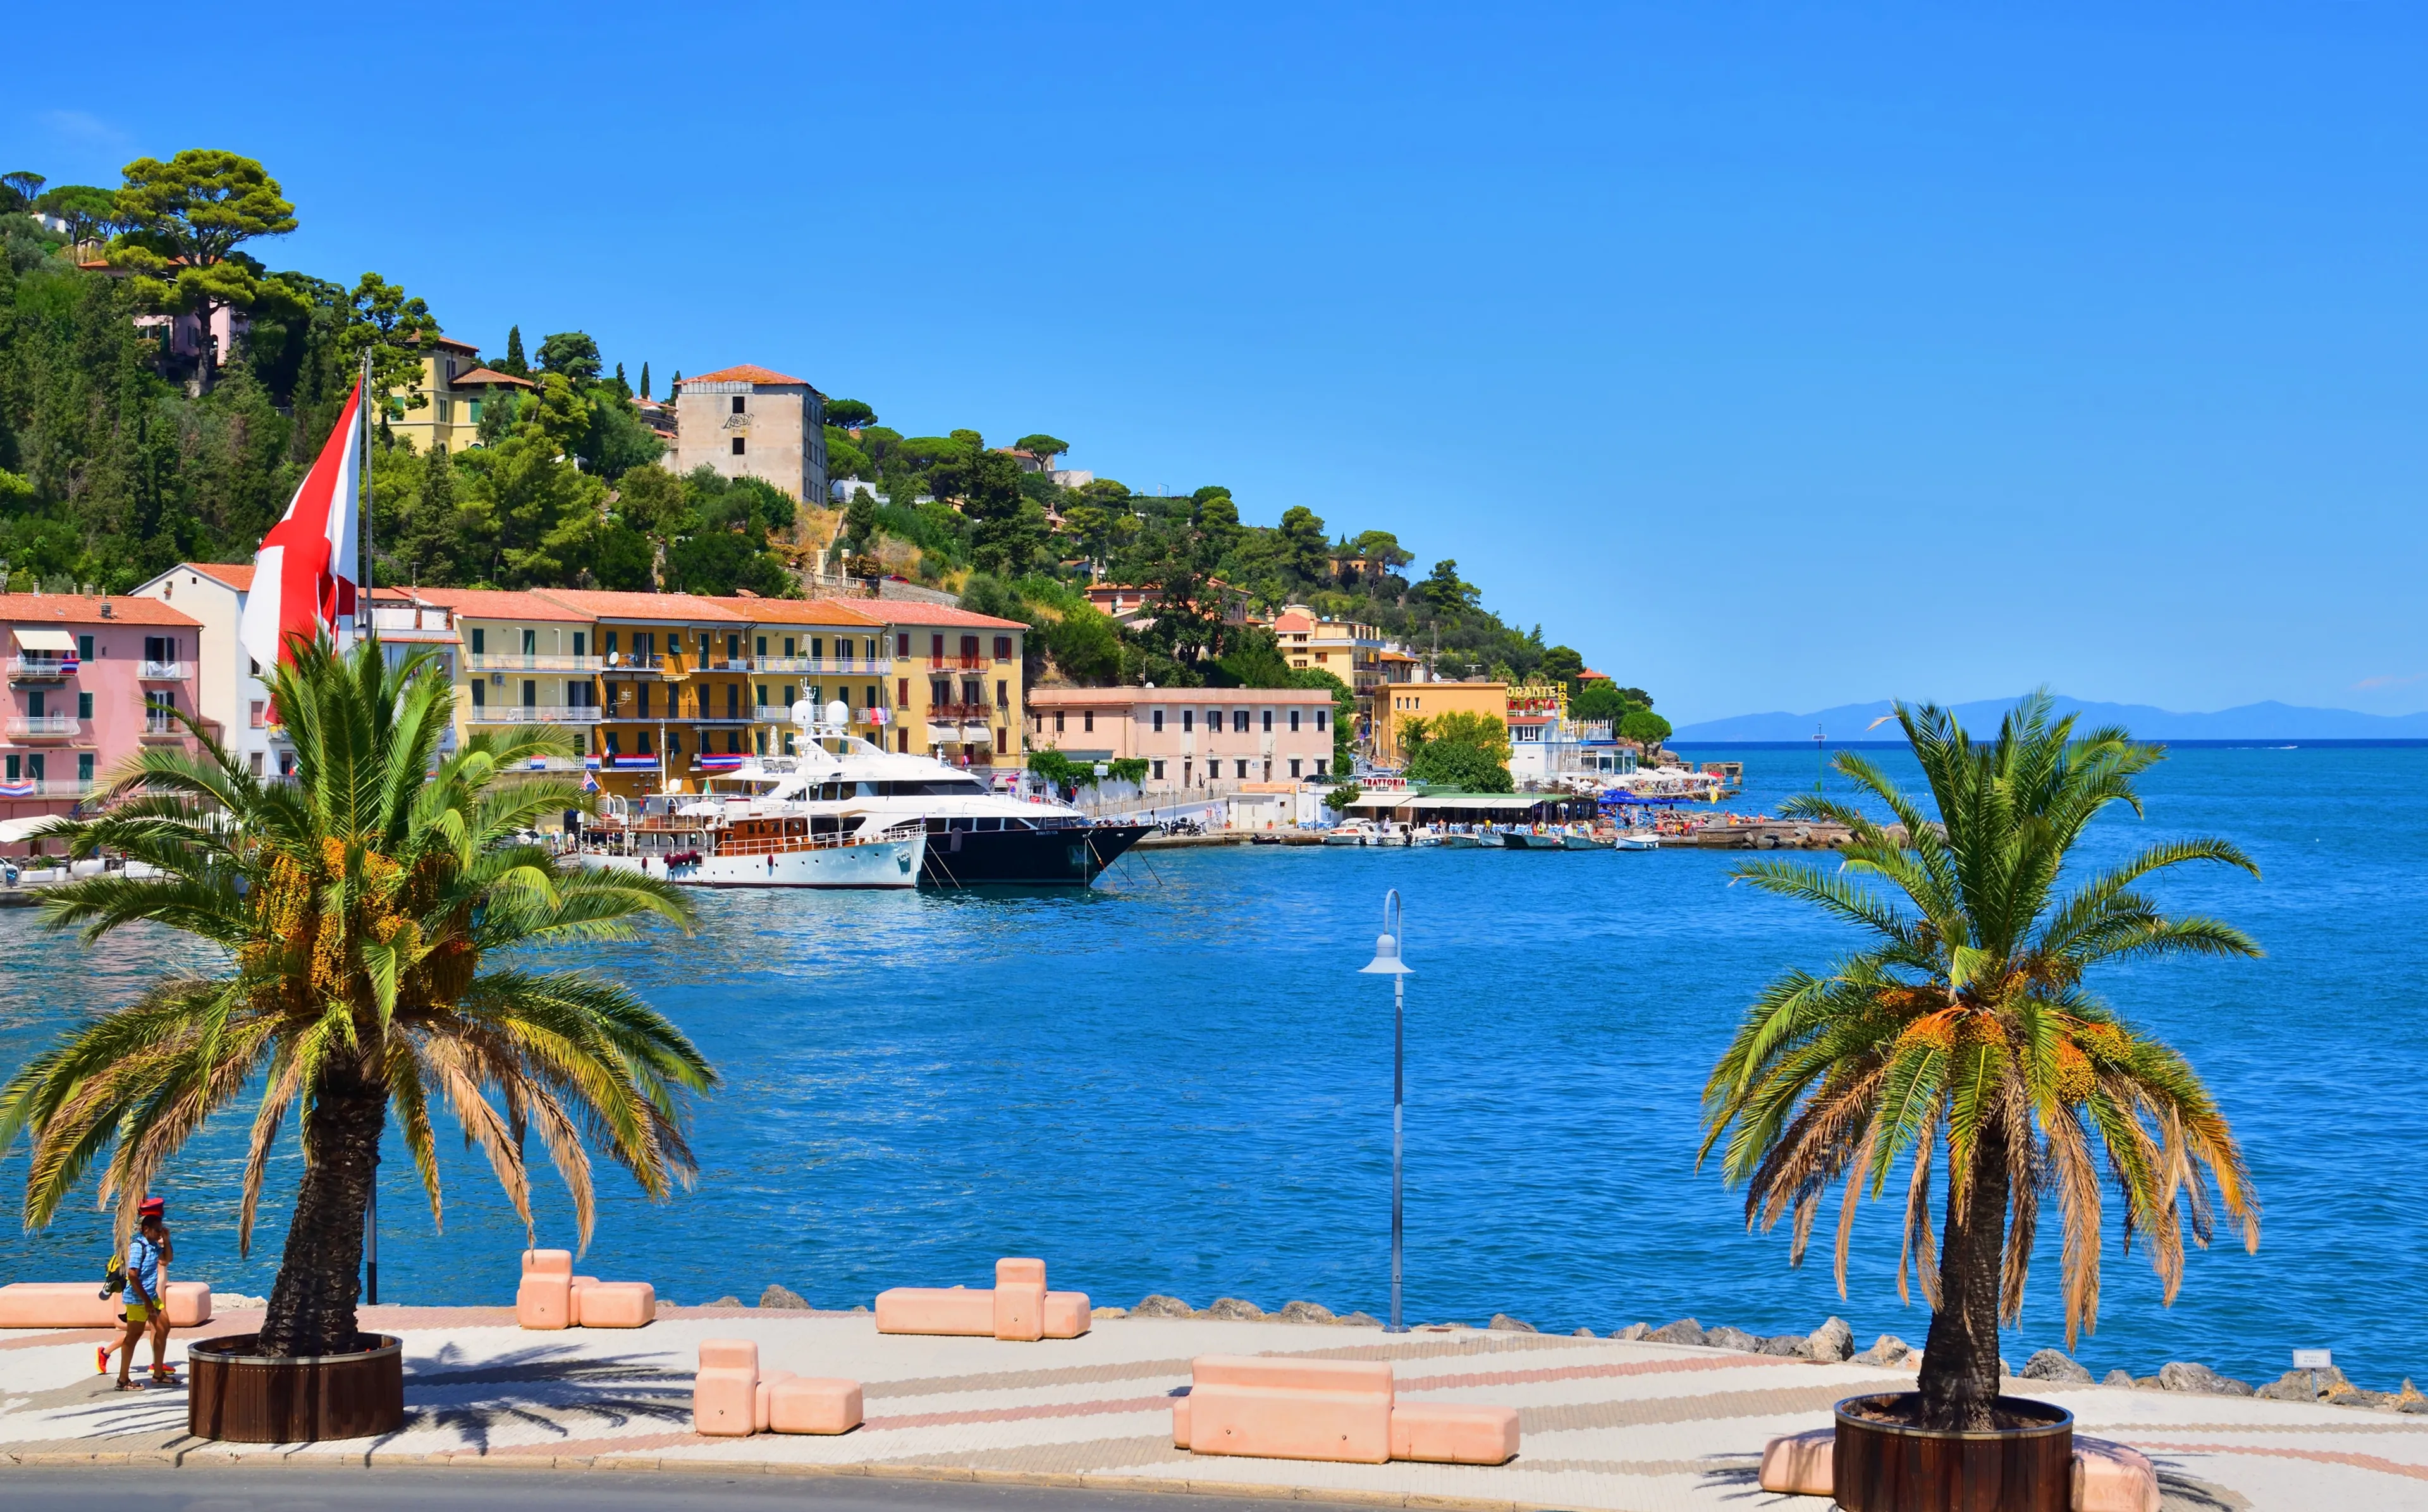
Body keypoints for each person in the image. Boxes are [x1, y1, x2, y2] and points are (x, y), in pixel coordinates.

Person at [111, 1197, 175, 1390]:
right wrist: (147, 1302)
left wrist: (166, 1241)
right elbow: (132, 1275)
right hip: (138, 1300)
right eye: (157, 1230)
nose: (159, 1233)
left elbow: (167, 1260)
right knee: (133, 1336)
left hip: (151, 1298)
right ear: (146, 1229)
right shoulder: (138, 1247)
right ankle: (123, 1380)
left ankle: (158, 1374)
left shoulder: (154, 1245)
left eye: (161, 1230)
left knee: (164, 1328)